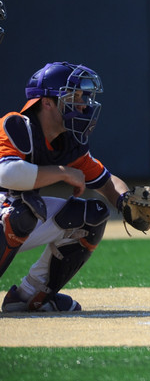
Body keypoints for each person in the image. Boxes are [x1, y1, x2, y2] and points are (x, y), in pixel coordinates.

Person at [0, 62, 128, 312]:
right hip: (8, 215)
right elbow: (7, 174)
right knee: (20, 213)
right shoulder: (16, 126)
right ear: (47, 102)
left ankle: (29, 297)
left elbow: (107, 182)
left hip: (11, 216)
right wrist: (62, 172)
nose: (82, 104)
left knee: (90, 216)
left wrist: (127, 202)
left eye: (82, 96)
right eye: (73, 96)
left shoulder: (66, 141)